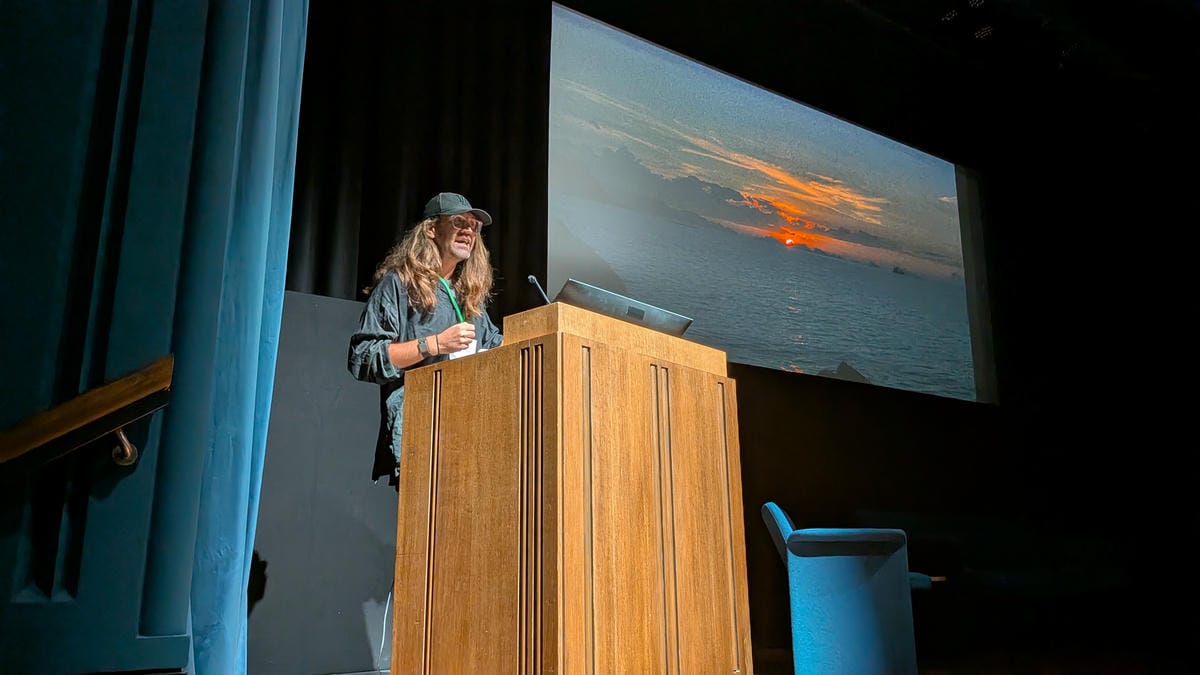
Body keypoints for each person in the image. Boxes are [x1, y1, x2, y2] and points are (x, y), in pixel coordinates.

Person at [347, 192, 504, 487]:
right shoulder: (399, 285)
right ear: (432, 229)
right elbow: (363, 357)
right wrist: (435, 344)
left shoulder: (469, 297)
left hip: (472, 429)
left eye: (473, 226)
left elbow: (497, 346)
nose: (469, 231)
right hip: (422, 430)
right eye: (458, 222)